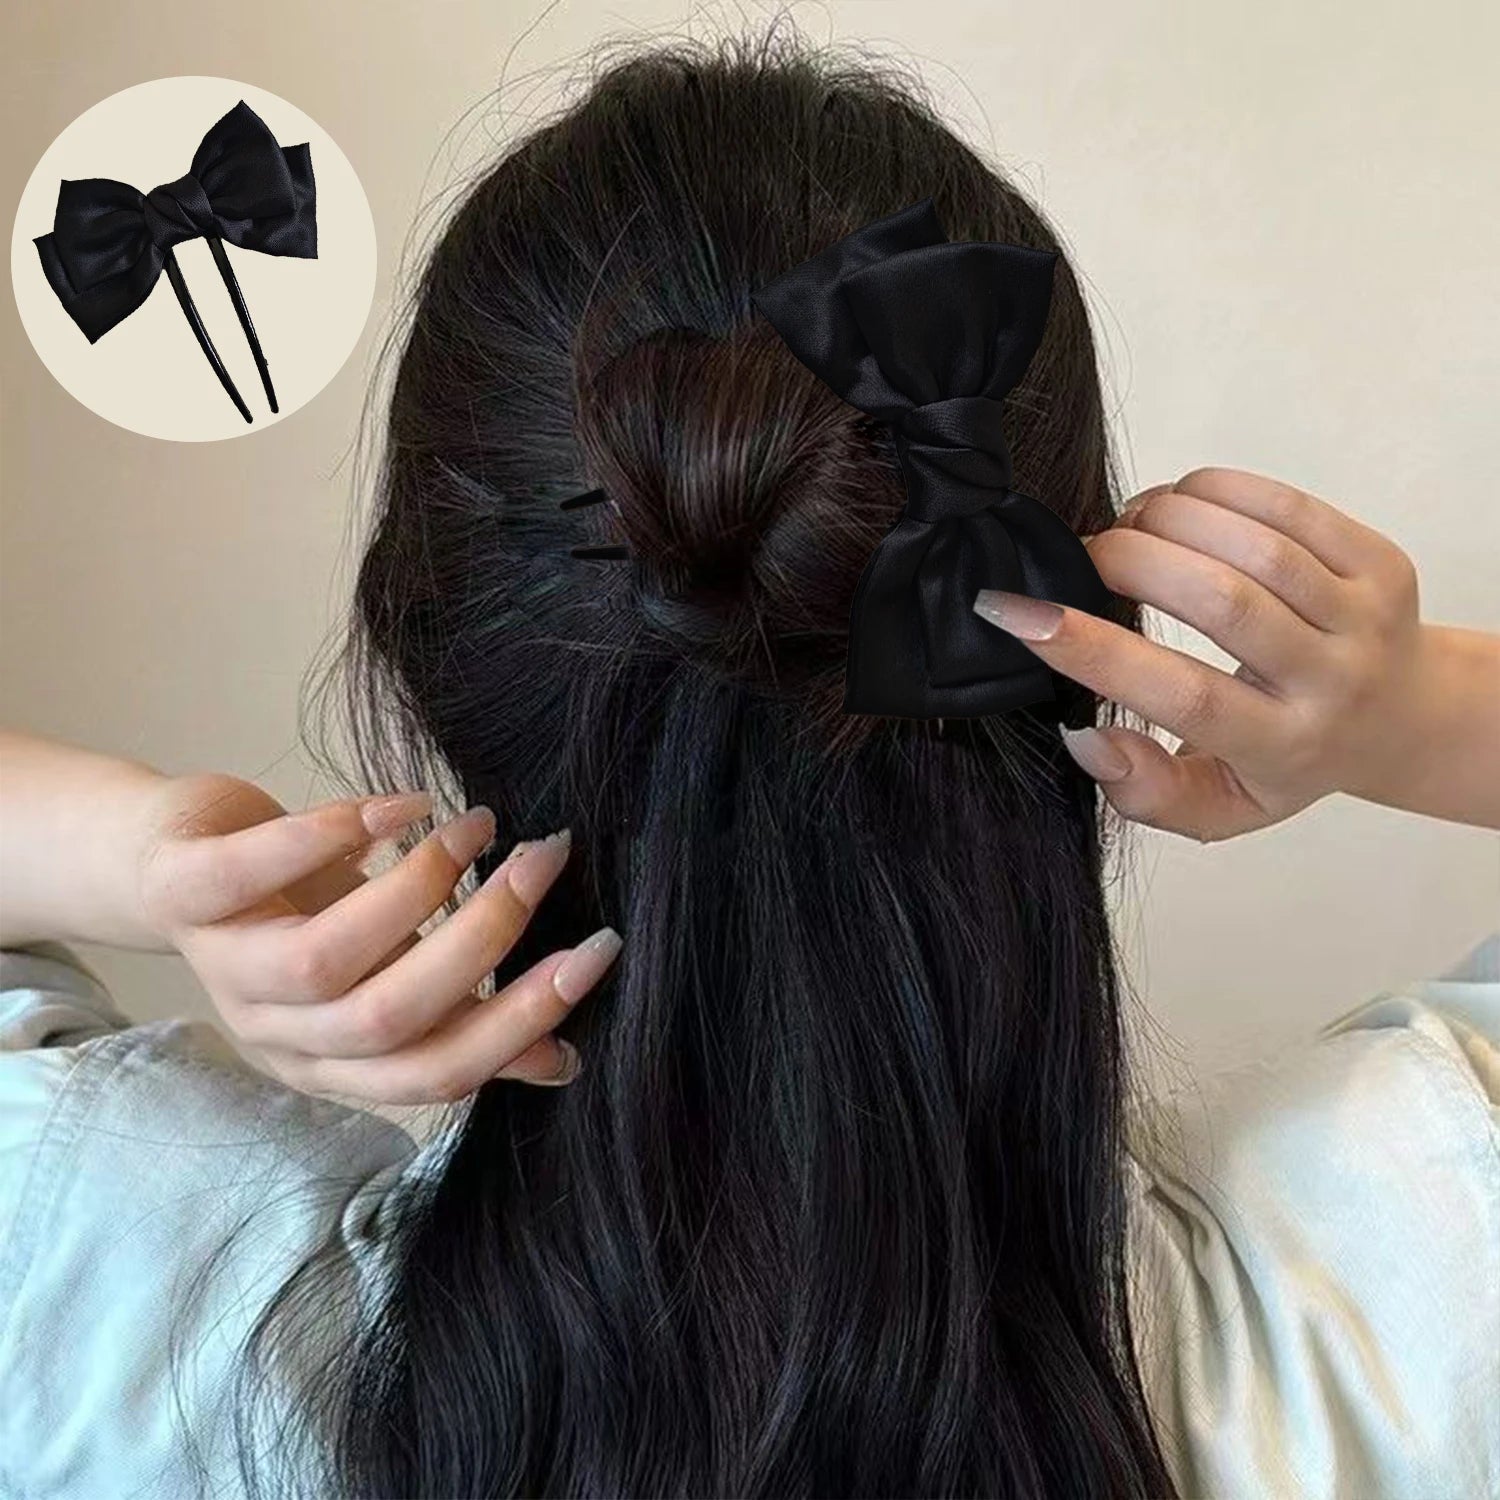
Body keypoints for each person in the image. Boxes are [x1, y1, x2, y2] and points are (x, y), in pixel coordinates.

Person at [1, 31, 1496, 1500]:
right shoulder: (1408, 1277)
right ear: (1088, 614)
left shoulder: (116, 1288)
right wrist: (1416, 715)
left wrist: (153, 852)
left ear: (414, 637)